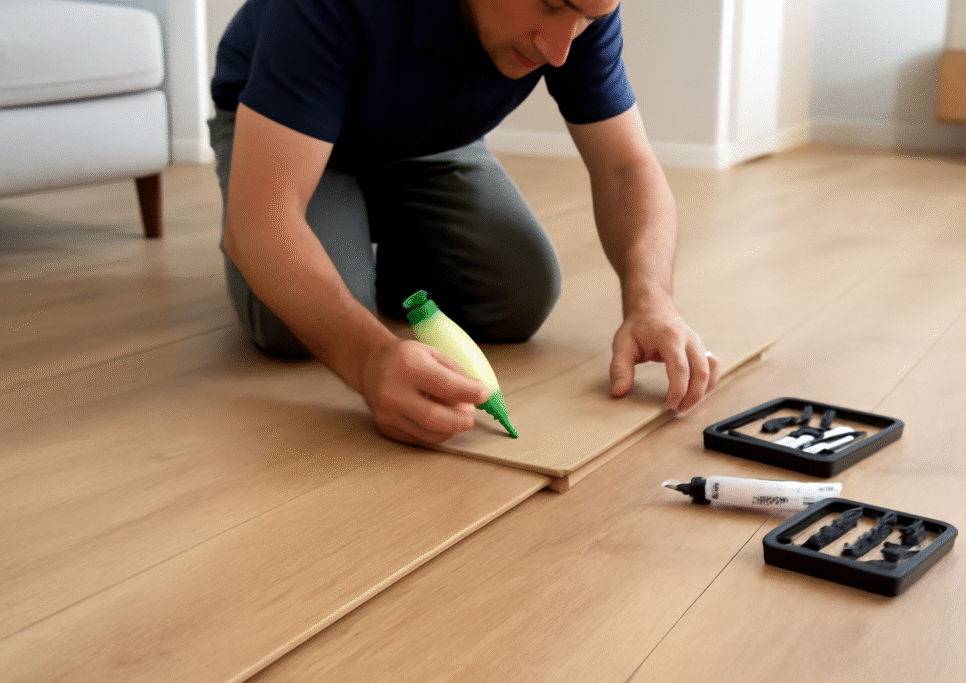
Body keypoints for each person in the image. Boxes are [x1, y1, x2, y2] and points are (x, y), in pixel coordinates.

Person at [209, 0, 720, 445]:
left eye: (587, 17)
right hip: (284, 129)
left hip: (425, 136)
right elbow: (260, 223)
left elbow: (626, 168)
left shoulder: (581, 11)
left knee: (517, 293)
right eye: (549, 3)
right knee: (293, 331)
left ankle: (365, 242)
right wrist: (369, 361)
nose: (561, 49)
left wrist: (652, 301)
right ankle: (335, 232)